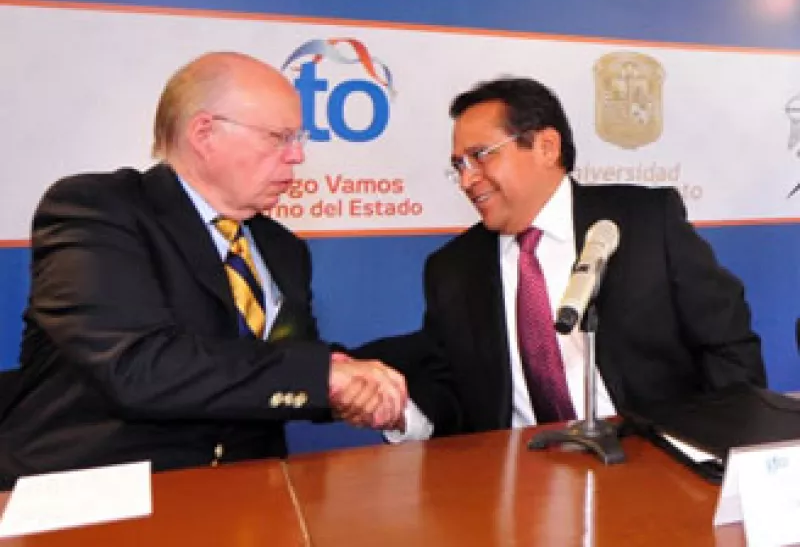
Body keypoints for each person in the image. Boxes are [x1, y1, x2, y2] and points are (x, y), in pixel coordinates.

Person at [0, 51, 407, 488]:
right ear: (204, 133)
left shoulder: (282, 248)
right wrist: (323, 375)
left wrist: (350, 392)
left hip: (245, 500)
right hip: (95, 495)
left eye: (300, 139)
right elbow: (138, 367)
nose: (297, 157)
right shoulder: (97, 209)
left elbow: (277, 365)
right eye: (280, 137)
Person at [378, 76, 766, 440]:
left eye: (481, 156)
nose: (467, 180)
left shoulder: (645, 221)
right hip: (519, 480)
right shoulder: (452, 269)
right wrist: (400, 414)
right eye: (459, 165)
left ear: (547, 146)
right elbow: (452, 396)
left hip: (653, 462)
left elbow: (727, 342)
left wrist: (721, 449)